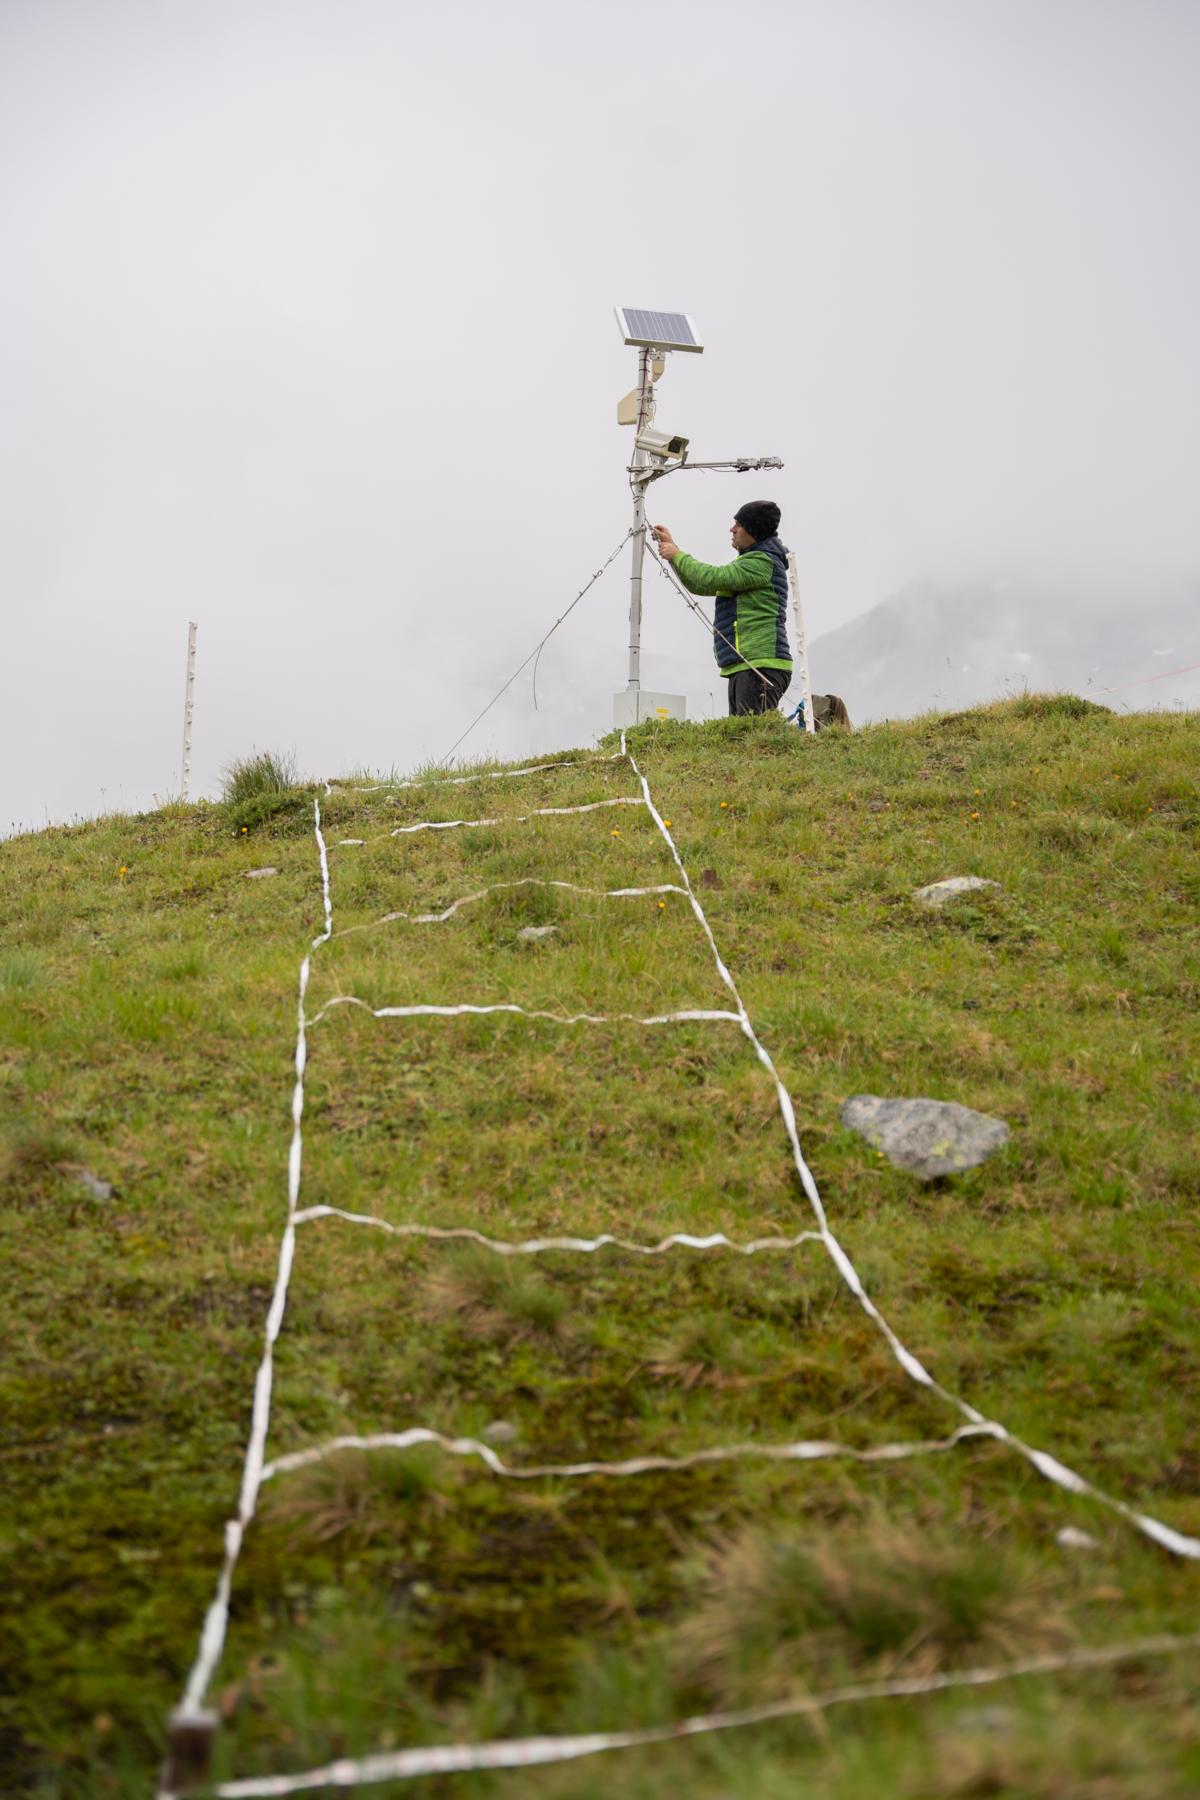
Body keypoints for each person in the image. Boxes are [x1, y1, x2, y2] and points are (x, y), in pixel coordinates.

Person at [651, 501, 793, 715]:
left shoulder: (761, 563)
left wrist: (677, 555)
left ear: (753, 530)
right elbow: (699, 584)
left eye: (739, 524)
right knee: (742, 740)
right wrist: (674, 554)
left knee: (751, 739)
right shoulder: (753, 561)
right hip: (747, 665)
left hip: (759, 665)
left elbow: (711, 578)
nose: (732, 529)